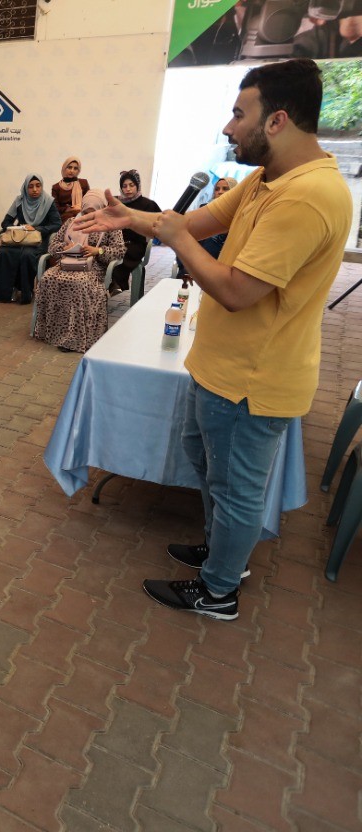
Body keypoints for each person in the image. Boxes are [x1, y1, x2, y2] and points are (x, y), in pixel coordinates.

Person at [75, 58, 352, 620]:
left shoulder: (306, 196)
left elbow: (235, 290)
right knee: (209, 467)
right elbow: (196, 224)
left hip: (254, 380)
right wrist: (131, 220)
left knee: (236, 487)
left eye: (237, 114)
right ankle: (223, 550)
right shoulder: (266, 179)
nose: (228, 127)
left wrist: (177, 241)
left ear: (276, 120)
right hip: (221, 367)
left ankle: (220, 589)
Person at [31, 191, 126, 353]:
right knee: (48, 278)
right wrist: (65, 247)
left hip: (93, 268)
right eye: (86, 212)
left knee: (77, 283)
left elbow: (119, 251)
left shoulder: (110, 225)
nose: (88, 216)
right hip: (67, 264)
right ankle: (51, 331)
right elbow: (53, 246)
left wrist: (98, 251)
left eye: (93, 212)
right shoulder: (71, 222)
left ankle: (73, 337)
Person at [0, 174, 62, 304]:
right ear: (25, 188)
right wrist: (19, 229)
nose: (35, 190)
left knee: (27, 255)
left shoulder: (48, 202)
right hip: (19, 240)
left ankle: (25, 291)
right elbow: (6, 222)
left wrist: (37, 229)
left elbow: (57, 224)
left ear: (42, 186)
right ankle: (6, 291)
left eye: (38, 186)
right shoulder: (19, 201)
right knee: (5, 252)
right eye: (30, 186)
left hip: (38, 242)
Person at [108, 169, 162, 295]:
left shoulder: (148, 204)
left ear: (137, 186)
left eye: (131, 185)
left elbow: (160, 222)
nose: (128, 189)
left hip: (136, 243)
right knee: (103, 255)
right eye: (124, 186)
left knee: (126, 255)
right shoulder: (117, 203)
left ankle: (117, 284)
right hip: (116, 242)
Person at [52, 157, 90, 222]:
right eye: (69, 167)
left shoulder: (83, 183)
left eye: (75, 168)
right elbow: (56, 208)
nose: (72, 171)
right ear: (64, 168)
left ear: (78, 171)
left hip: (83, 214)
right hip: (65, 217)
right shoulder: (56, 187)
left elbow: (89, 201)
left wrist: (80, 208)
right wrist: (70, 209)